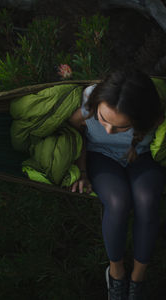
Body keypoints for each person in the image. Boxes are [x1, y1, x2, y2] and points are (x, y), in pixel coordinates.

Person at [68, 69, 166, 300]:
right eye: (103, 120)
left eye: (122, 127)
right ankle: (116, 274)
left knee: (147, 200)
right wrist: (81, 171)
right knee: (118, 201)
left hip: (141, 158)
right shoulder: (92, 99)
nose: (109, 130)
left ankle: (137, 281)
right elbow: (74, 131)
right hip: (102, 157)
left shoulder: (152, 112)